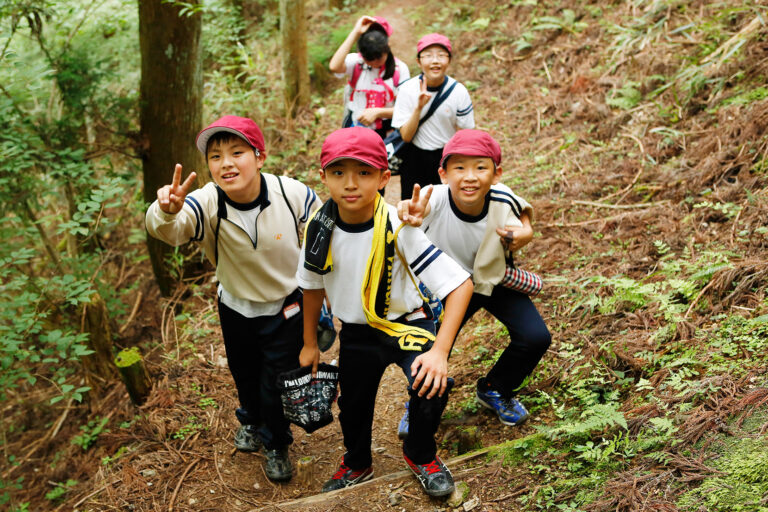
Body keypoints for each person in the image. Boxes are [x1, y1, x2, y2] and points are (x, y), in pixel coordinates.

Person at [296, 127, 474, 497]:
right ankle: (358, 461)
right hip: (358, 331)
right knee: (353, 404)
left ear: (383, 177)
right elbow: (311, 286)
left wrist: (439, 352)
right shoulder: (319, 227)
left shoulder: (399, 225)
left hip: (409, 323)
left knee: (430, 385)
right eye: (339, 172)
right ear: (323, 177)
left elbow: (460, 286)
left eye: (363, 173)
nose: (350, 184)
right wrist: (310, 342)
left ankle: (420, 453)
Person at [145, 115, 320, 482]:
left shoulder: (291, 193)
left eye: (237, 152)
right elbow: (172, 231)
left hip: (285, 307)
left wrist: (323, 289)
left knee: (276, 381)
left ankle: (276, 442)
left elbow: (325, 229)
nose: (226, 163)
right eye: (215, 156)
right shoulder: (208, 202)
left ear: (260, 157)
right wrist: (166, 210)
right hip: (235, 307)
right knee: (244, 374)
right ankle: (252, 421)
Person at [399, 129, 551, 427]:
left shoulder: (502, 196)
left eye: (480, 167)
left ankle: (495, 388)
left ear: (496, 174)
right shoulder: (436, 197)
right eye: (459, 168)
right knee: (428, 347)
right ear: (443, 173)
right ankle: (416, 405)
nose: (469, 176)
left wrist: (526, 230)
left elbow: (522, 213)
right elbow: (418, 208)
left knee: (535, 337)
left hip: (490, 280)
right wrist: (410, 211)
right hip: (448, 290)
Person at [391, 33, 475, 200]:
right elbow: (406, 136)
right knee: (413, 206)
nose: (435, 60)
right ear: (419, 61)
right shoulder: (408, 89)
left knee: (446, 205)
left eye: (441, 55)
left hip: (445, 158)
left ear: (449, 61)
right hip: (414, 157)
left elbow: (467, 135)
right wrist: (418, 107)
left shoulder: (458, 91)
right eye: (428, 56)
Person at [329, 15, 410, 139]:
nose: (374, 64)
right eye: (369, 60)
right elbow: (334, 66)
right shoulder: (356, 62)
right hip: (355, 129)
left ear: (387, 47)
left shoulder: (400, 69)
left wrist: (378, 112)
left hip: (386, 131)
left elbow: (405, 108)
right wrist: (356, 32)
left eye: (379, 58)